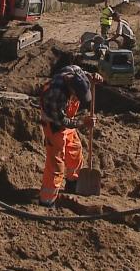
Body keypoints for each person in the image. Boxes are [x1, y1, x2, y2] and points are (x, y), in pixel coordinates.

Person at [38, 65, 103, 207]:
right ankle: (47, 200)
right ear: (72, 90)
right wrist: (82, 122)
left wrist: (92, 77)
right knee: (56, 166)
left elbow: (83, 74)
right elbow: (62, 121)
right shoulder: (55, 94)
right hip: (54, 125)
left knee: (75, 150)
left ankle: (73, 183)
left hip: (67, 120)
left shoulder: (75, 72)